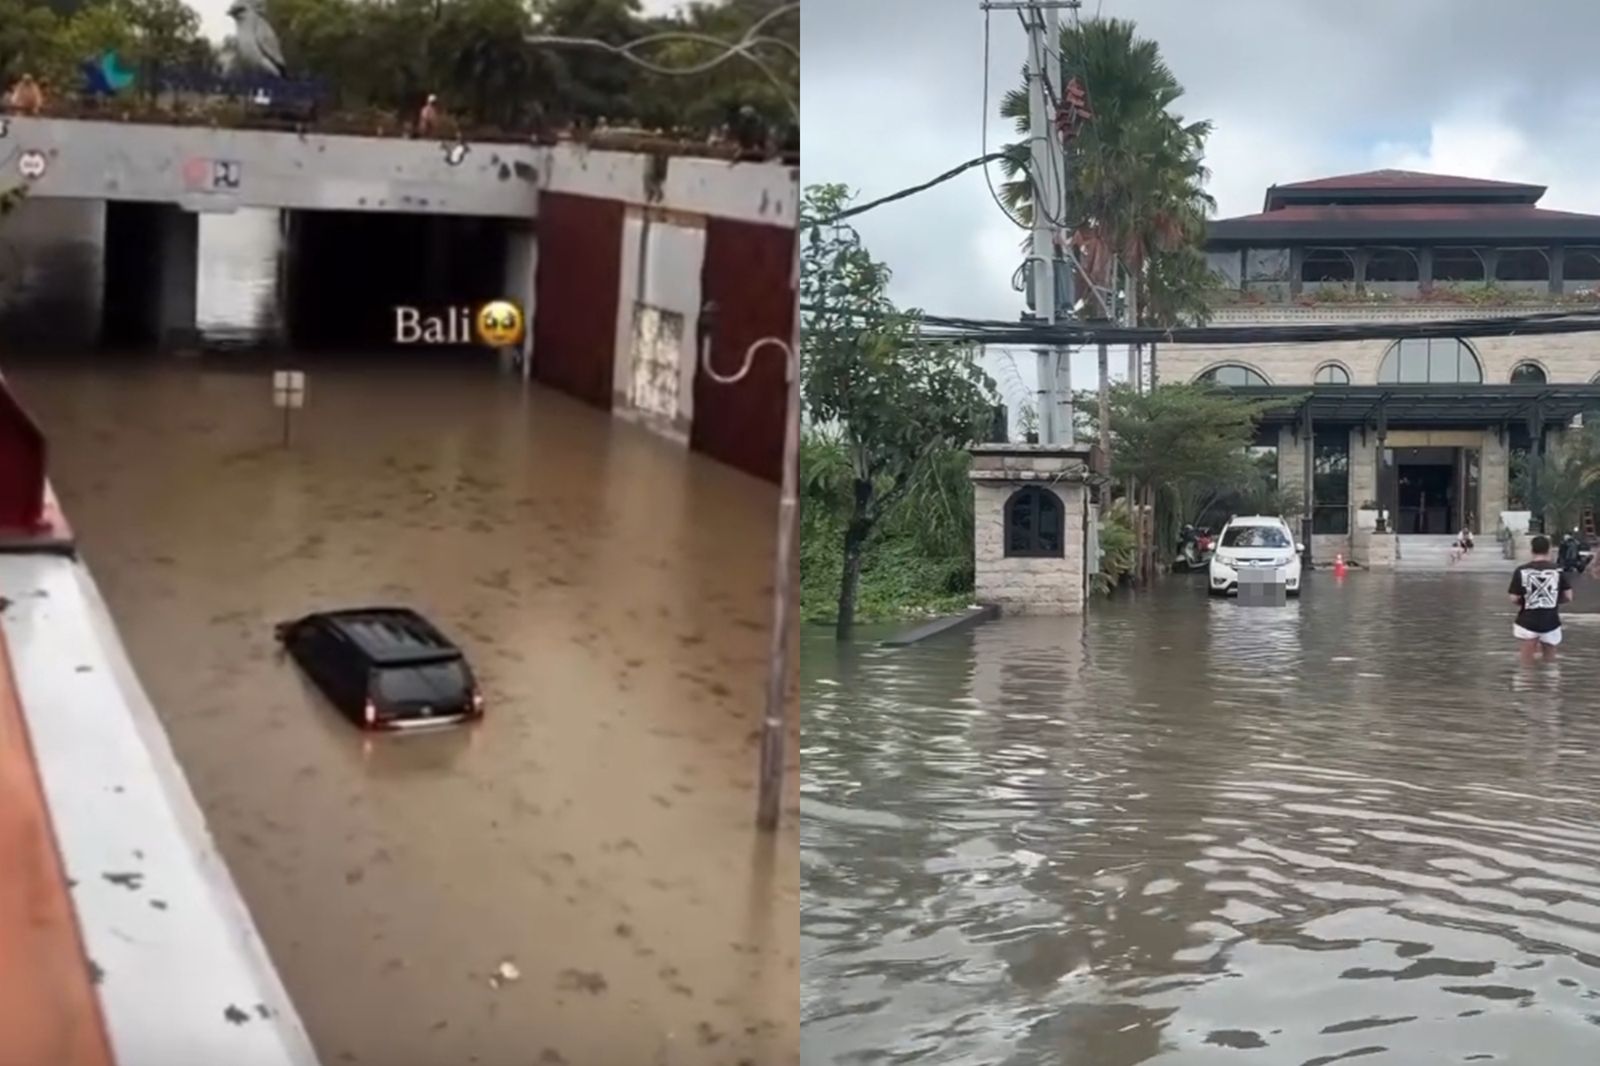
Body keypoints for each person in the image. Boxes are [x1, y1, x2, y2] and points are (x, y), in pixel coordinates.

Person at [1510, 534, 1574, 663]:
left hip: (1527, 620)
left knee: (1526, 665)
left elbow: (1513, 598)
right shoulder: (1558, 570)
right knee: (1550, 664)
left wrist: (1528, 602)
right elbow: (1569, 596)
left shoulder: (1521, 570)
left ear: (1532, 550)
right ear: (1549, 549)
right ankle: (1549, 681)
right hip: (1550, 620)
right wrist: (1553, 600)